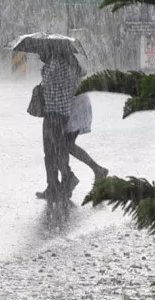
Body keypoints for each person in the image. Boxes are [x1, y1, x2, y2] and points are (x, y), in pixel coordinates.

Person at [35, 51, 108, 201]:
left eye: (40, 52)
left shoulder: (55, 62)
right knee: (61, 147)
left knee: (59, 147)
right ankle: (64, 184)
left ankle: (65, 181)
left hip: (69, 108)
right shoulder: (66, 61)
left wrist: (45, 70)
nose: (39, 55)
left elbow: (50, 84)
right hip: (72, 106)